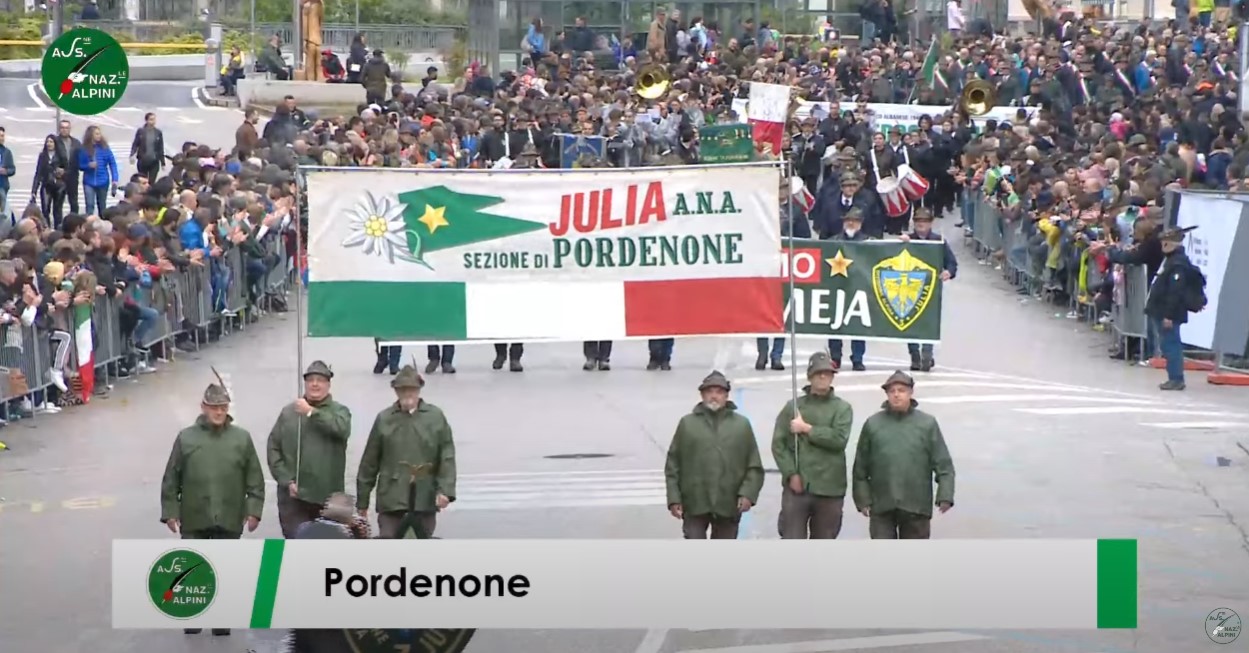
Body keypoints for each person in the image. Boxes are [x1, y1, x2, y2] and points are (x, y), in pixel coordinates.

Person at [159, 372, 265, 637]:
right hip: (194, 515)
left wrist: (253, 511)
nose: (219, 412)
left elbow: (255, 479)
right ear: (203, 407)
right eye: (214, 407)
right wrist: (170, 512)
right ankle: (193, 617)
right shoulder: (186, 438)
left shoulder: (241, 439)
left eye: (223, 407)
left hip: (230, 515)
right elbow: (171, 478)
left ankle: (220, 620)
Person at [356, 365, 457, 539]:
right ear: (395, 391)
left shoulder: (435, 417)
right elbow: (369, 462)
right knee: (388, 541)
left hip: (424, 498)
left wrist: (445, 490)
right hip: (391, 499)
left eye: (412, 389)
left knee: (421, 543)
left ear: (419, 390)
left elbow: (446, 456)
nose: (407, 393)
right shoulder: (384, 419)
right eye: (402, 389)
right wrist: (362, 502)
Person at [852, 370, 955, 539]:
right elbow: (860, 468)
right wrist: (863, 500)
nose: (896, 395)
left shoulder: (927, 424)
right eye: (892, 391)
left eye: (901, 390)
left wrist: (945, 495)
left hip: (916, 505)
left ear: (910, 393)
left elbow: (943, 463)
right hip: (882, 505)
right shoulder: (873, 424)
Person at [664, 370, 764, 539]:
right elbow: (673, 464)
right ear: (702, 395)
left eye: (719, 392)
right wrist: (674, 499)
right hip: (694, 502)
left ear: (726, 396)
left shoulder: (741, 426)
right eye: (709, 392)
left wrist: (747, 494)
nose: (714, 396)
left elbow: (754, 466)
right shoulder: (687, 424)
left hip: (729, 503)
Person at [266, 360, 353, 538]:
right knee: (296, 543)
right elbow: (273, 448)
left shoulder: (339, 412)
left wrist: (312, 412)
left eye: (320, 380)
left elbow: (341, 429)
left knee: (325, 546)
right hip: (293, 497)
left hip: (327, 499)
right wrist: (286, 480)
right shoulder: (289, 413)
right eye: (310, 379)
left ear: (328, 384)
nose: (315, 384)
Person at [773, 351, 853, 539]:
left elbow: (838, 440)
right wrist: (791, 473)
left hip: (830, 488)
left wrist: (807, 429)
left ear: (833, 376)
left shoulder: (842, 409)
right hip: (798, 488)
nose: (823, 376)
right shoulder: (793, 407)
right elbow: (778, 445)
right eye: (818, 373)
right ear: (810, 377)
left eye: (827, 373)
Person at [899, 208, 957, 371]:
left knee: (929, 323)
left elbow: (952, 263)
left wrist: (948, 272)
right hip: (909, 288)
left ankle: (927, 354)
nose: (921, 224)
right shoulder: (907, 240)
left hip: (931, 289)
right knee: (910, 321)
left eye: (924, 221)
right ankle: (914, 355)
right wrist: (900, 243)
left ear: (930, 223)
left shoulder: (939, 241)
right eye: (918, 221)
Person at [1145, 227, 1202, 391]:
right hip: (1162, 310)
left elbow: (1174, 292)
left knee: (1171, 345)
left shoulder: (1177, 264)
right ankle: (1174, 377)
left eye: (1166, 241)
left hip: (1168, 312)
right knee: (1168, 344)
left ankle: (1176, 378)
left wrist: (1169, 315)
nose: (1163, 244)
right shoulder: (1171, 260)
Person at [829, 209, 870, 370]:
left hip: (859, 289)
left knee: (858, 325)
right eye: (848, 220)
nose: (851, 223)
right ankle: (835, 357)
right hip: (837, 288)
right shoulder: (833, 241)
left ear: (861, 223)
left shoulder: (869, 243)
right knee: (834, 324)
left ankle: (857, 358)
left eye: (855, 220)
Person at [77, 126, 118, 216]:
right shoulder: (84, 149)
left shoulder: (105, 148)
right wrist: (88, 166)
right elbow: (80, 165)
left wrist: (115, 179)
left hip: (103, 181)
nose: (99, 136)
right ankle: (89, 224)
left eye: (99, 134)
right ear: (90, 135)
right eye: (96, 134)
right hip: (89, 181)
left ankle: (102, 223)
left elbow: (112, 163)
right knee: (90, 205)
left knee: (102, 205)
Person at [129, 112, 166, 184]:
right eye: (151, 119)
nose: (153, 121)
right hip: (143, 161)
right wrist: (132, 155)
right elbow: (135, 144)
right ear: (147, 120)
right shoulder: (141, 131)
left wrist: (162, 163)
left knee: (151, 182)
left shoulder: (158, 132)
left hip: (154, 161)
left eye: (154, 119)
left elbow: (160, 147)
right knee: (143, 181)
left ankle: (150, 194)